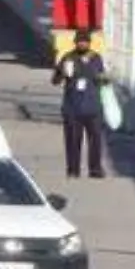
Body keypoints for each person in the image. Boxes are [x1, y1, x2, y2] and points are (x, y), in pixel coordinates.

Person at [52, 29, 109, 178]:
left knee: (96, 140)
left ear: (89, 43)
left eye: (85, 41)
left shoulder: (96, 58)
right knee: (72, 141)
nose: (82, 44)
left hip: (93, 107)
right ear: (75, 42)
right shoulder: (67, 58)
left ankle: (95, 169)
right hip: (73, 107)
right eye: (80, 41)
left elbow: (102, 78)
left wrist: (103, 78)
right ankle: (73, 170)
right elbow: (55, 81)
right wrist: (62, 73)